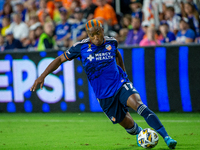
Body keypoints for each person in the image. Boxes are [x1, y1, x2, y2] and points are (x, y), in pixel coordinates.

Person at [30, 19, 177, 149]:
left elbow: (117, 55)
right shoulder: (80, 47)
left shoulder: (111, 42)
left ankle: (167, 137)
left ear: (102, 31)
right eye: (91, 35)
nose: (95, 37)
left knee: (139, 105)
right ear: (88, 35)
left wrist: (124, 74)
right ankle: (140, 134)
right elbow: (59, 59)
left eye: (97, 33)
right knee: (127, 124)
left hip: (120, 85)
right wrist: (42, 76)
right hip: (104, 96)